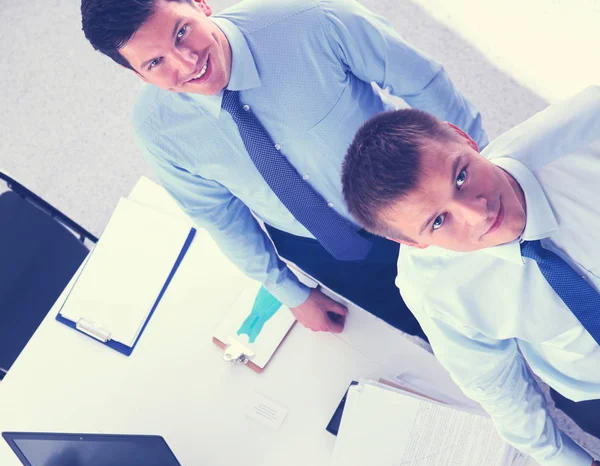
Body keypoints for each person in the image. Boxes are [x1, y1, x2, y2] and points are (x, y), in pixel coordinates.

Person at [80, 0, 487, 337]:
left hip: (425, 200)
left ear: (199, 4)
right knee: (431, 333)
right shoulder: (157, 131)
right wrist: (289, 292)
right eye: (155, 63)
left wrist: (482, 172)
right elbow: (220, 216)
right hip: (323, 249)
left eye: (182, 31)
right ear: (137, 74)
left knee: (498, 297)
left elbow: (423, 83)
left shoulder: (310, 19)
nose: (186, 64)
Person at [341, 85, 600, 466]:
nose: (477, 214)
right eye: (438, 221)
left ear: (463, 137)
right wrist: (572, 462)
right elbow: (497, 386)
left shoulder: (588, 126)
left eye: (460, 177)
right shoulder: (432, 291)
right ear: (410, 241)